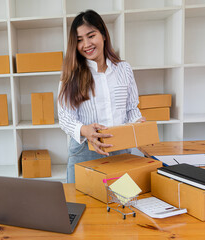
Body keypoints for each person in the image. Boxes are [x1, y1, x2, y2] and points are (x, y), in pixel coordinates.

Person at [58, 10, 144, 183]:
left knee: (123, 201)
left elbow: (131, 108)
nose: (86, 44)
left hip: (121, 149)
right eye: (79, 40)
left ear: (103, 34)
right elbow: (65, 118)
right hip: (84, 152)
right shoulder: (71, 75)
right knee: (83, 206)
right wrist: (86, 130)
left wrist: (138, 124)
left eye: (91, 36)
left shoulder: (124, 69)